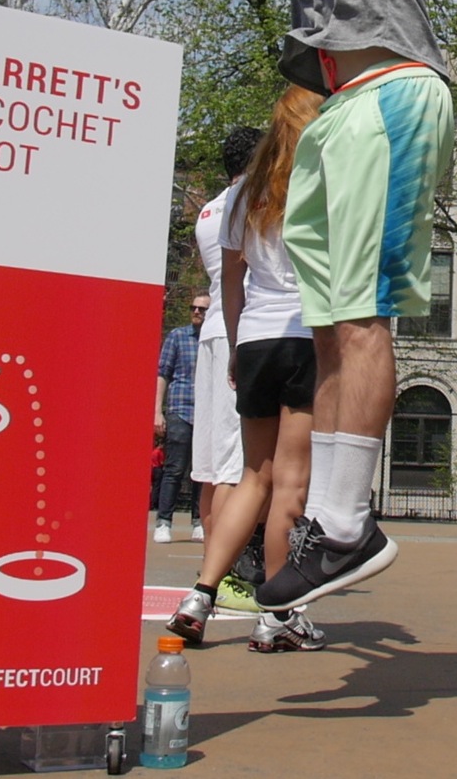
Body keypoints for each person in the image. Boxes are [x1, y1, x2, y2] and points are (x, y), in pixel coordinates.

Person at [180, 0, 454, 611]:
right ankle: (335, 528)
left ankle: (344, 523)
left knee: (363, 312)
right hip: (337, 108)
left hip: (393, 91)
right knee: (328, 318)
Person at [169, 87, 326, 652]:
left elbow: (229, 283)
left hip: (254, 340)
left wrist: (236, 346)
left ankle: (200, 594)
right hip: (304, 338)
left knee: (251, 477)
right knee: (291, 482)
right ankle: (279, 614)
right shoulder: (317, 185)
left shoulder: (244, 196)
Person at [193, 126, 264, 546]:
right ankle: (225, 571)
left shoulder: (208, 211)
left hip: (214, 334)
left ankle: (211, 565)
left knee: (210, 466)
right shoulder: (249, 206)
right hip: (240, 330)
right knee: (234, 468)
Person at [154, 295, 208, 543]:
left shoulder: (215, 340)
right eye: (193, 307)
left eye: (202, 308)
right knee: (174, 469)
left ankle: (199, 521)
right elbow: (162, 374)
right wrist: (157, 411)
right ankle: (164, 522)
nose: (196, 312)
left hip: (207, 413)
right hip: (180, 408)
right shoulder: (177, 336)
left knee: (201, 471)